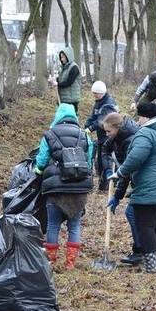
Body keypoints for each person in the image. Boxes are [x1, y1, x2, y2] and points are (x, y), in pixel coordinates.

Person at [111, 102, 156, 273]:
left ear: (145, 117)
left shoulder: (145, 133)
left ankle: (151, 265)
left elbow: (136, 158)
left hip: (150, 185)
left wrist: (119, 172)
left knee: (146, 225)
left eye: (139, 117)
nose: (137, 121)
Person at [34, 103, 94, 269]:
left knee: (53, 225)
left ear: (58, 116)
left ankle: (51, 261)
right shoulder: (84, 136)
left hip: (56, 188)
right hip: (79, 188)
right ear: (74, 116)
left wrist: (37, 170)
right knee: (74, 225)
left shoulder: (50, 134)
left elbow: (41, 161)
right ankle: (70, 263)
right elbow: (89, 161)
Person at [101, 112, 142, 265]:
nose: (106, 134)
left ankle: (141, 250)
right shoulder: (115, 137)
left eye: (108, 131)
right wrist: (107, 170)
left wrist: (117, 196)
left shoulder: (130, 140)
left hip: (141, 180)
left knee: (132, 213)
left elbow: (126, 172)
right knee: (136, 214)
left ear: (117, 127)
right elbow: (104, 150)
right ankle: (143, 250)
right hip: (134, 179)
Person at [84, 80, 118, 192]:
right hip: (100, 136)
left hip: (108, 136)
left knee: (106, 160)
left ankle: (108, 185)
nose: (93, 95)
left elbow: (101, 120)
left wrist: (90, 128)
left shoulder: (109, 104)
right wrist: (86, 125)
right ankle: (102, 184)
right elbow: (93, 116)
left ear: (101, 93)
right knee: (99, 160)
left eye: (95, 93)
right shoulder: (98, 102)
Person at [55, 46, 81, 113]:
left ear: (68, 56)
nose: (62, 59)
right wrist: (55, 80)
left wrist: (58, 84)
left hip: (71, 99)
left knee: (71, 117)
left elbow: (69, 82)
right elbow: (61, 79)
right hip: (63, 98)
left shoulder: (74, 68)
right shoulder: (64, 68)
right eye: (61, 57)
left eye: (63, 57)